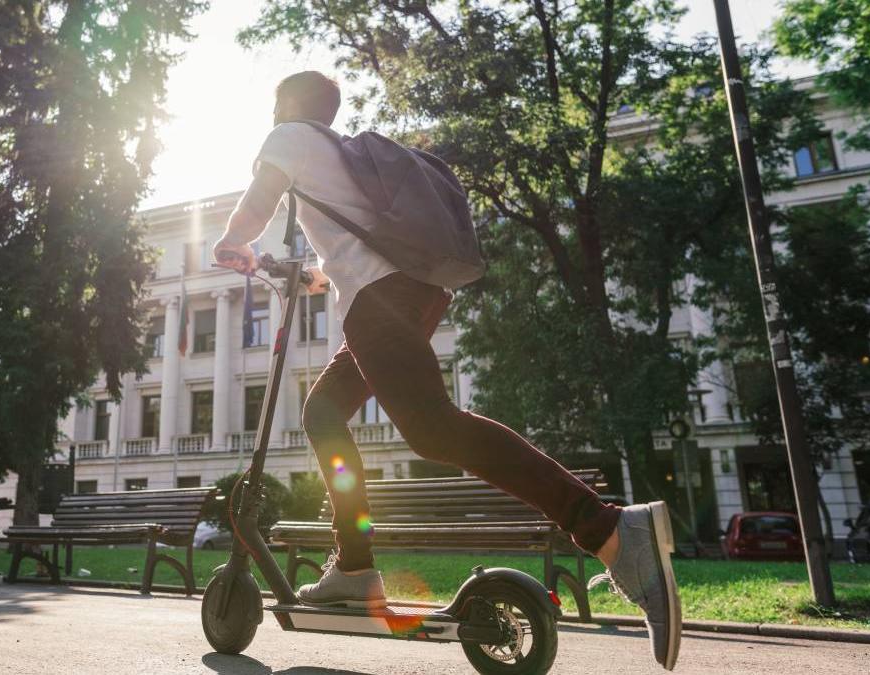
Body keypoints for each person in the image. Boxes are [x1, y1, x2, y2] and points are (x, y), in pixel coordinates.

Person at [213, 71, 682, 671]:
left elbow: (258, 198)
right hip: (410, 294)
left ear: (284, 106)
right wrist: (313, 277)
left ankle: (609, 529)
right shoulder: (335, 155)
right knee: (324, 411)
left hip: (381, 303)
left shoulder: (288, 138)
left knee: (432, 430)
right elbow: (357, 245)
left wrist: (232, 240)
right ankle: (354, 568)